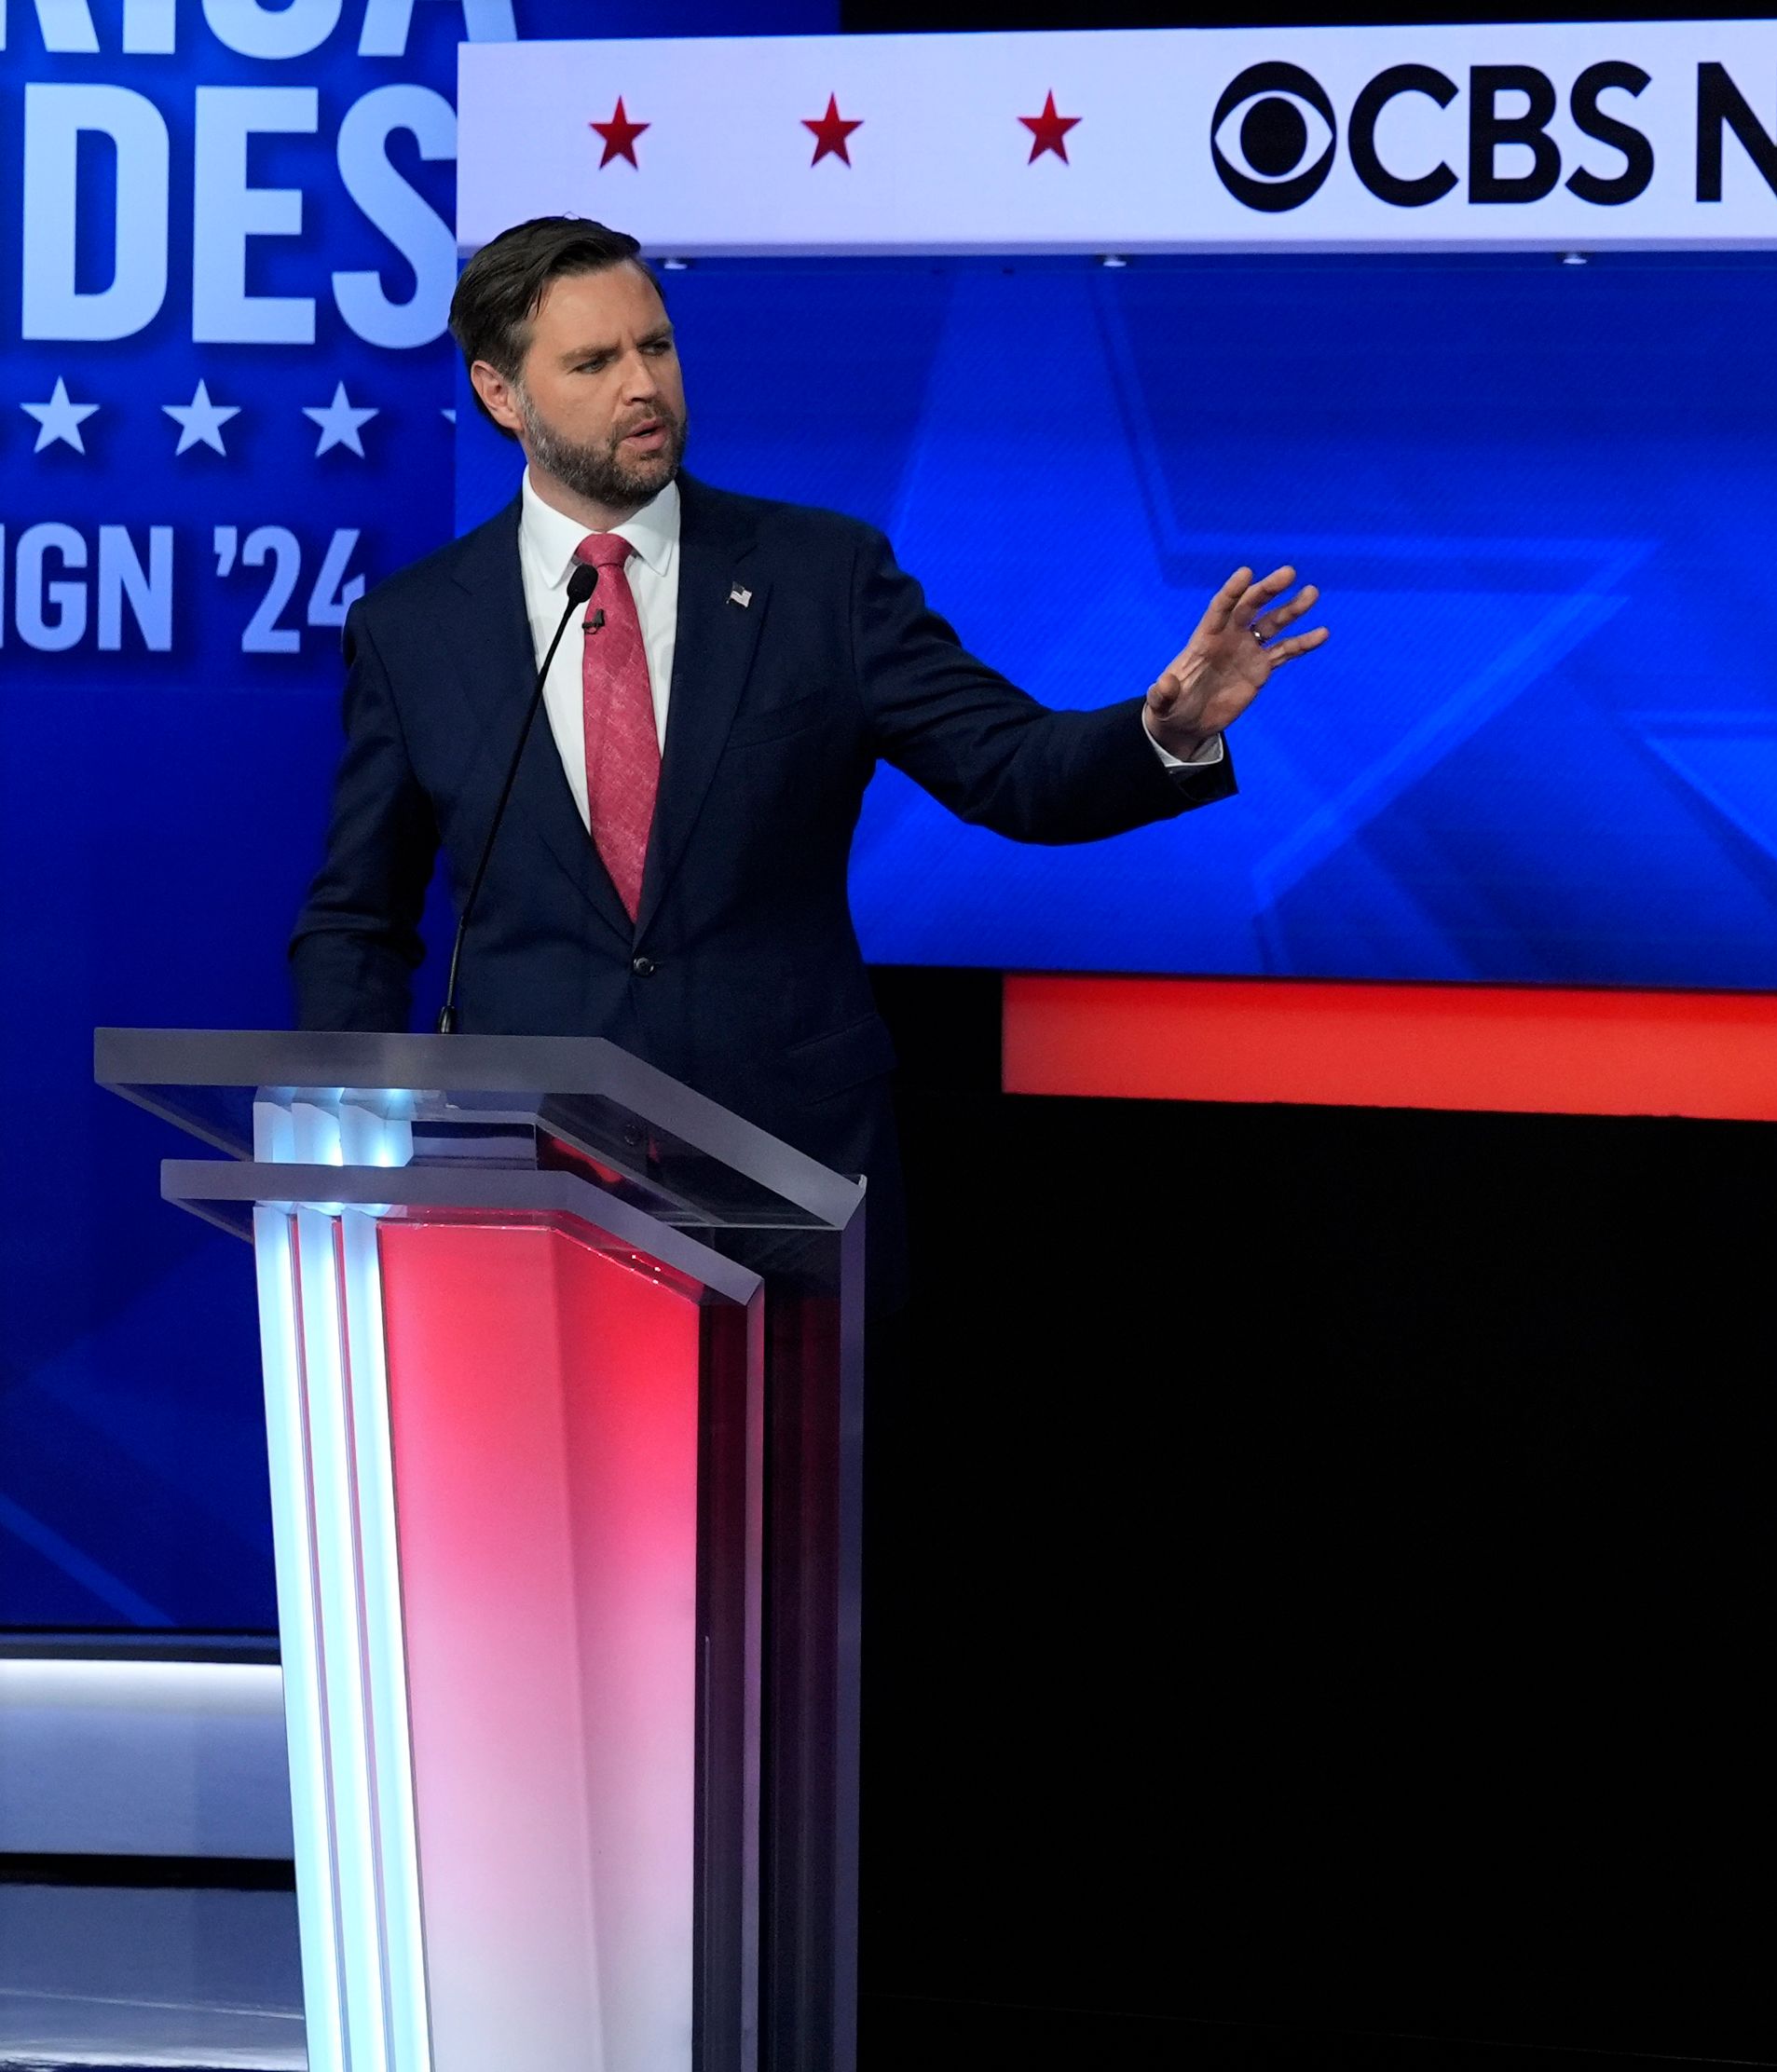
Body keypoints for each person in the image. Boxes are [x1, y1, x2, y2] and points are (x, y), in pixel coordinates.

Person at [288, 214, 1326, 1285]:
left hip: (786, 1175)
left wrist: (1168, 729)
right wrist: (352, 1127)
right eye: (594, 362)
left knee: (796, 1457)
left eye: (657, 345)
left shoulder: (820, 575)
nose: (642, 386)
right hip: (530, 1180)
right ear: (501, 394)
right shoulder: (416, 630)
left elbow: (1013, 769)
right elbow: (357, 919)